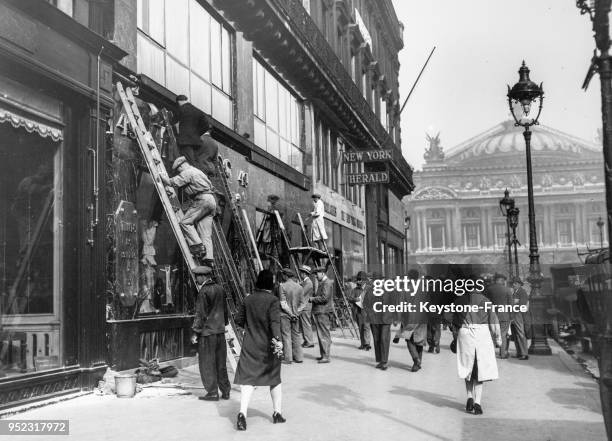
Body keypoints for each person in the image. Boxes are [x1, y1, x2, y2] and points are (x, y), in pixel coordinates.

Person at [234, 270, 286, 431]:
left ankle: (242, 414)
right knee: (274, 378)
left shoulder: (248, 299)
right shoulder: (273, 300)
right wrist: (278, 341)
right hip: (268, 347)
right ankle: (277, 413)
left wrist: (250, 328)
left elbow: (238, 320)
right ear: (271, 283)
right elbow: (275, 322)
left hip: (250, 346)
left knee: (248, 380)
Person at [450, 276, 502, 415]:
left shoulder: (459, 301)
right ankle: (478, 402)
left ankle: (469, 397)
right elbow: (494, 322)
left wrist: (455, 336)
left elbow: (451, 320)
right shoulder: (486, 302)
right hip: (482, 335)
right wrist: (498, 339)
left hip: (465, 334)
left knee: (467, 367)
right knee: (480, 369)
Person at [161, 156, 216, 265]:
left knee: (185, 222)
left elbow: (172, 182)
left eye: (179, 169)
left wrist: (161, 177)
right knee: (205, 232)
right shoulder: (198, 172)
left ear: (182, 165)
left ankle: (197, 247)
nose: (179, 171)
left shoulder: (188, 172)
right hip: (211, 200)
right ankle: (208, 258)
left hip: (202, 199)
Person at [190, 266, 230, 401]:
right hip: (219, 331)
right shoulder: (220, 288)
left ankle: (212, 392)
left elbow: (200, 314)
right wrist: (223, 325)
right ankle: (226, 391)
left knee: (207, 363)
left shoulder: (204, 292)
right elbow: (225, 310)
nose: (196, 279)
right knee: (221, 363)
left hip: (207, 333)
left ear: (203, 276)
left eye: (197, 277)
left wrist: (195, 332)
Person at [393, 269, 428, 372]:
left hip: (408, 318)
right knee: (419, 341)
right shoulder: (424, 288)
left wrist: (397, 318)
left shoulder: (405, 289)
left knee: (409, 340)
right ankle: (418, 362)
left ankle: (416, 359)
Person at [363, 274, 394, 370]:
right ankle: (380, 360)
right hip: (374, 319)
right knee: (377, 339)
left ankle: (384, 362)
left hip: (386, 319)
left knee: (384, 339)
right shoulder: (370, 291)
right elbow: (365, 304)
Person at [172, 94, 209, 168]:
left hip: (185, 141)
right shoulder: (197, 111)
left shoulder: (181, 109)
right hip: (196, 142)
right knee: (194, 160)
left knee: (189, 162)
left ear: (179, 102)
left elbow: (172, 122)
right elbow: (206, 125)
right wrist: (197, 134)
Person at [279, 268, 306, 364]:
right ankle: (298, 357)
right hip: (296, 315)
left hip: (285, 315)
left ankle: (288, 358)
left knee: (286, 336)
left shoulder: (282, 286)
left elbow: (283, 303)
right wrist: (296, 313)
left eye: (283, 275)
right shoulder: (299, 287)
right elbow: (303, 304)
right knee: (296, 335)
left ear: (285, 276)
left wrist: (290, 314)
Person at [310, 266, 334, 363]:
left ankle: (326, 356)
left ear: (322, 273)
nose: (315, 276)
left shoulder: (326, 283)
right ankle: (324, 355)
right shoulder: (324, 283)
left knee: (324, 334)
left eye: (317, 273)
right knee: (321, 334)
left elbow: (324, 298)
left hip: (323, 311)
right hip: (321, 311)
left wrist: (313, 299)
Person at [486, 273, 513, 359]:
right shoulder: (507, 290)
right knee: (503, 335)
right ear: (502, 280)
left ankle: (490, 354)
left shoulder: (489, 289)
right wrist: (511, 317)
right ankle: (502, 354)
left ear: (495, 280)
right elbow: (511, 305)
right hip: (504, 316)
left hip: (492, 315)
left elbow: (485, 302)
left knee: (491, 334)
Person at [348, 271, 371, 351]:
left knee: (366, 327)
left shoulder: (369, 288)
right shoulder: (354, 290)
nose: (358, 281)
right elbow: (350, 298)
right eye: (358, 279)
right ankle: (362, 344)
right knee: (361, 327)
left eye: (360, 279)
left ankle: (367, 343)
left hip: (367, 311)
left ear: (364, 280)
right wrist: (355, 299)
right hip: (358, 311)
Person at [509, 278, 529, 360]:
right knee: (516, 334)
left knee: (520, 333)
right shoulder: (515, 292)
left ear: (519, 284)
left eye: (516, 283)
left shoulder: (522, 292)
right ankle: (519, 352)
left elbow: (522, 305)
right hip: (515, 314)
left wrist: (514, 304)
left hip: (518, 314)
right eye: (513, 283)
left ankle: (524, 354)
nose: (513, 284)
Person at [298, 265, 315, 348]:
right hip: (304, 306)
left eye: (302, 272)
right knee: (304, 324)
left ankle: (309, 342)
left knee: (306, 324)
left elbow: (301, 293)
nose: (300, 273)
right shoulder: (304, 282)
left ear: (304, 273)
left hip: (306, 306)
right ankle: (306, 340)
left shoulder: (308, 283)